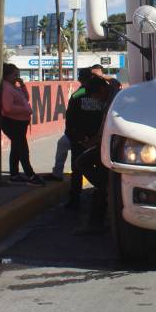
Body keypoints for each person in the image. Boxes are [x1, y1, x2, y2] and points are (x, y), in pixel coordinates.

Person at [46, 65, 120, 182]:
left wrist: (75, 136)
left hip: (86, 139)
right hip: (94, 139)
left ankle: (76, 194)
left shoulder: (81, 94)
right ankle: (99, 194)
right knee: (98, 167)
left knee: (78, 167)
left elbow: (70, 118)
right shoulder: (109, 93)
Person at [65, 69, 117, 233]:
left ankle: (105, 190)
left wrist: (85, 140)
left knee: (80, 165)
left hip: (106, 145)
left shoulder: (112, 100)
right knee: (81, 165)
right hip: (97, 142)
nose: (95, 100)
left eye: (96, 96)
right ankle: (105, 189)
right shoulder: (112, 94)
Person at [0, 63, 44, 186]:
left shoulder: (13, 86)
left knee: (16, 149)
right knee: (22, 150)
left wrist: (23, 85)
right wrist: (26, 110)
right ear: (7, 75)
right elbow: (7, 108)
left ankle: (14, 175)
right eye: (15, 74)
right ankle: (31, 175)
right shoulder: (7, 88)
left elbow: (26, 98)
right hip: (13, 122)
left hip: (19, 122)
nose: (17, 77)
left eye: (17, 74)